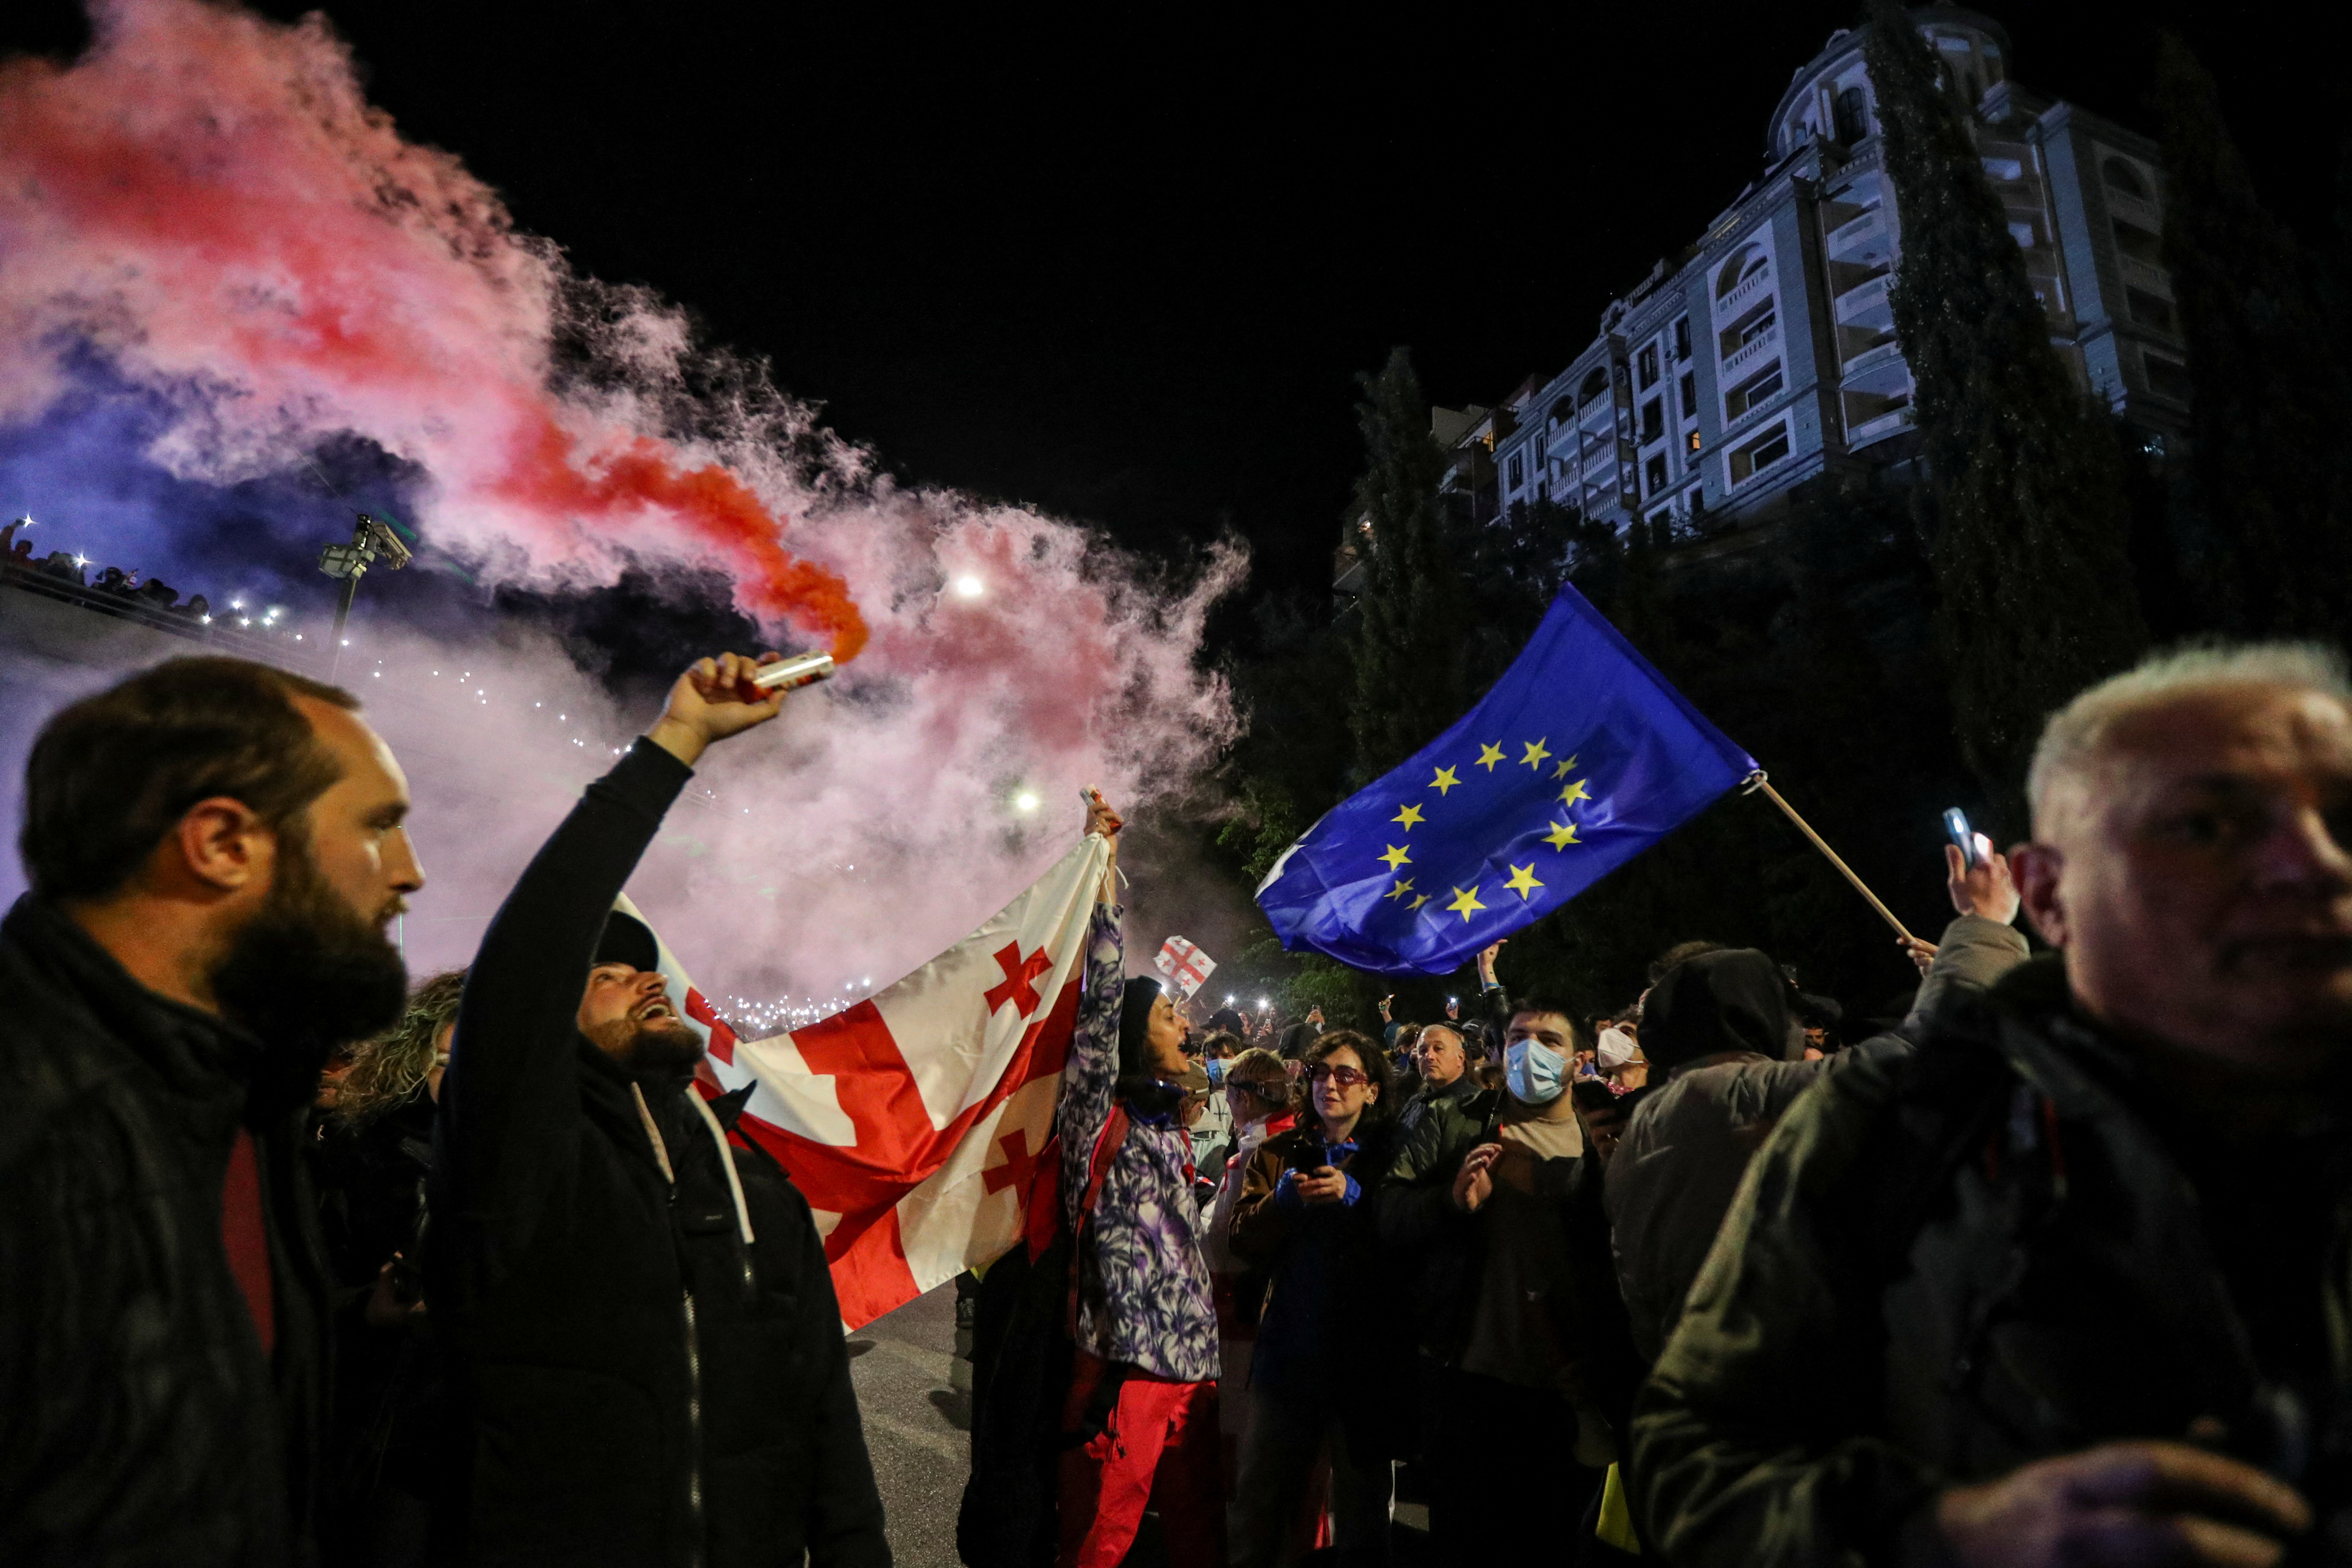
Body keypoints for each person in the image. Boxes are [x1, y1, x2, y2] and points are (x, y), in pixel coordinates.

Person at [1633, 643, 2352, 1567]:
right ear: (2050, 891)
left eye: (2339, 817)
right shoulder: (1905, 1119)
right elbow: (1691, 1460)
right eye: (2208, 826)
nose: (2310, 865)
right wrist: (1942, 1533)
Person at [426, 653, 886, 1568]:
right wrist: (676, 741)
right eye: (603, 972)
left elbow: (821, 1410)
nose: (643, 977)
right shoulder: (521, 1162)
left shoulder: (753, 1182)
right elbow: (527, 954)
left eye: (644, 966)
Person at [0, 656, 424, 1565]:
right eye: (378, 828)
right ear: (222, 843)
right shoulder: (33, 1111)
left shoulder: (242, 1103)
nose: (411, 873)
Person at [1379, 983, 1621, 1566]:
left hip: (1565, 1394)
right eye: (1518, 1037)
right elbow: (1388, 1214)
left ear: (1577, 1058)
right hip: (1468, 1380)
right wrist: (1450, 1202)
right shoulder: (1457, 1122)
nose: (1530, 1051)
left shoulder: (1606, 1144)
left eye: (1549, 1039)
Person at [1056, 790, 1223, 1568]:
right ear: (1130, 1037)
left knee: (1195, 1544)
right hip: (1129, 1372)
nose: (1186, 1025)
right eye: (1167, 1017)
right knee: (1103, 1542)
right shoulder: (1097, 1118)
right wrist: (1104, 869)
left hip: (1195, 1375)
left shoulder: (1165, 1126)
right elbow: (1098, 1008)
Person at [1227, 1031, 1401, 1568]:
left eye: (1346, 1074)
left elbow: (1413, 1239)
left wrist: (1359, 1199)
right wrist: (1283, 1202)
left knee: (1361, 1513)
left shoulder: (1394, 1156)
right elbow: (1242, 1237)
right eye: (1321, 1073)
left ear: (1371, 1090)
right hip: (1287, 1354)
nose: (1330, 1084)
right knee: (1261, 1502)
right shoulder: (1278, 1154)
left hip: (1363, 1361)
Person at [313, 969, 465, 1568]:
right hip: (384, 1444)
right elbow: (289, 1300)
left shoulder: (558, 1171)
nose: (468, 1078)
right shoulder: (352, 1155)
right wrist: (368, 1309)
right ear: (414, 1061)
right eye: (451, 1058)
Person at [1396, 1022, 1474, 1138]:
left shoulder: (1478, 1105)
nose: (1429, 1056)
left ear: (1461, 1057)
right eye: (1423, 1051)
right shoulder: (1414, 1104)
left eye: (1438, 1049)